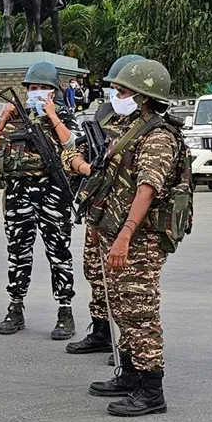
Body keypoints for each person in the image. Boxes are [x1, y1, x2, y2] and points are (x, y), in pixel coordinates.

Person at [73, 59, 188, 416]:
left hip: (141, 237)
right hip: (117, 231)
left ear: (143, 97)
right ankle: (131, 373)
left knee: (140, 311)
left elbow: (147, 189)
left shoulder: (158, 136)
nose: (114, 96)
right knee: (122, 306)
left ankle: (151, 390)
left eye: (121, 91)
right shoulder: (130, 128)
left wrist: (124, 236)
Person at [0, 61, 79, 339]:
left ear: (54, 92)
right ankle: (15, 307)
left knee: (58, 253)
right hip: (18, 195)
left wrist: (53, 116)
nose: (37, 92)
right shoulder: (16, 117)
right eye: (33, 88)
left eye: (43, 88)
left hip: (53, 195)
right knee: (18, 253)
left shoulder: (64, 117)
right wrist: (3, 120)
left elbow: (72, 144)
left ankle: (65, 310)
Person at [66, 54, 145, 356]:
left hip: (128, 216)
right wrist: (82, 166)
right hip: (98, 210)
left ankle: (128, 345)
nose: (115, 95)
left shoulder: (150, 128)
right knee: (95, 271)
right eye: (113, 88)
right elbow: (73, 151)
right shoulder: (105, 116)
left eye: (121, 89)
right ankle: (101, 331)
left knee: (128, 285)